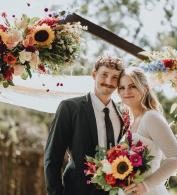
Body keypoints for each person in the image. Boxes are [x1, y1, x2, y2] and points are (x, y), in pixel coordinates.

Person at [44, 55, 125, 195]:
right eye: (104, 75)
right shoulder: (69, 108)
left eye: (115, 77)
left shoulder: (122, 114)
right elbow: (52, 158)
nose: (109, 81)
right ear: (94, 74)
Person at [118, 67, 177, 195]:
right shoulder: (130, 122)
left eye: (132, 86)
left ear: (145, 87)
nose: (126, 91)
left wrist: (145, 185)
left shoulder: (151, 117)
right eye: (122, 87)